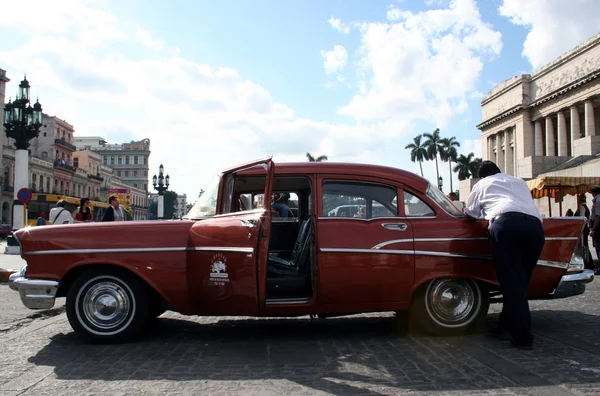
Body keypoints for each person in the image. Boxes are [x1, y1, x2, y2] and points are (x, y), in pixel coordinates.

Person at [465, 160, 544, 350]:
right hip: (535, 228)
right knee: (521, 282)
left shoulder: (482, 184)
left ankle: (523, 338)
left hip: (506, 226)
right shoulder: (519, 181)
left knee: (512, 283)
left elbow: (470, 213)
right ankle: (505, 325)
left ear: (482, 175)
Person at [588, 185, 600, 274]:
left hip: (598, 227)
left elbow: (597, 216)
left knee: (599, 248)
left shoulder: (598, 201)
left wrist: (594, 229)